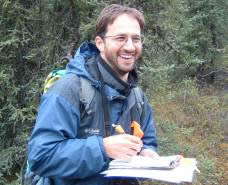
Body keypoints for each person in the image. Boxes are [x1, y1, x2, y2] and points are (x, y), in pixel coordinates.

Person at [28, 4, 158, 185]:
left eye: (135, 39)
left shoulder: (137, 97)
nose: (130, 47)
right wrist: (102, 149)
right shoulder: (70, 89)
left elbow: (148, 142)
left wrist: (147, 153)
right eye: (121, 38)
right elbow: (41, 156)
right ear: (100, 43)